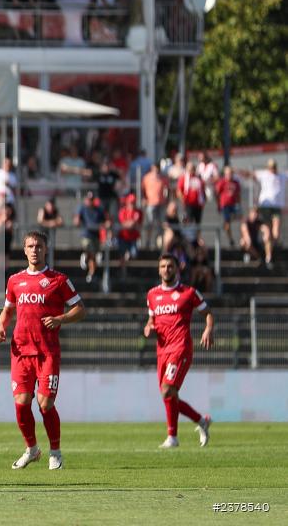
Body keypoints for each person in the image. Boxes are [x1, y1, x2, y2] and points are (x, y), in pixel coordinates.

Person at [0, 231, 86, 470]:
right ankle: (32, 449)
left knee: (45, 404)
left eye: (38, 246)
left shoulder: (58, 279)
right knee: (22, 402)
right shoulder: (15, 280)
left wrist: (61, 319)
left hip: (47, 352)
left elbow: (80, 309)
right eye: (30, 246)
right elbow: (7, 310)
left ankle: (55, 452)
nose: (34, 250)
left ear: (46, 249)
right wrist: (1, 327)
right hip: (21, 351)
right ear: (24, 250)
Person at [144, 254, 213, 448]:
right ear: (159, 270)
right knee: (168, 394)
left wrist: (208, 328)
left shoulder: (189, 293)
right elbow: (151, 319)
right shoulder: (152, 295)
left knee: (168, 390)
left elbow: (208, 312)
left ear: (177, 269)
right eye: (163, 266)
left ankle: (174, 436)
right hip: (162, 351)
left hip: (181, 348)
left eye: (170, 266)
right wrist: (149, 327)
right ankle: (197, 423)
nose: (166, 269)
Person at [250, 159, 287, 263]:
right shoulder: (264, 175)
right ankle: (268, 256)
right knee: (267, 231)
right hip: (265, 207)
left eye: (274, 167)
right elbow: (251, 174)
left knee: (275, 230)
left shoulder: (281, 176)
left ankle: (272, 249)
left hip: (276, 207)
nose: (272, 169)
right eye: (271, 167)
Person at [73, 191, 108, 283]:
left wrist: (105, 225)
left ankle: (91, 273)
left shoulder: (99, 210)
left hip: (96, 235)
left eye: (92, 199)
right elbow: (77, 219)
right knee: (89, 249)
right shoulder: (82, 208)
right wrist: (77, 221)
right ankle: (86, 257)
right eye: (89, 199)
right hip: (86, 234)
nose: (90, 201)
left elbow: (106, 221)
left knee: (94, 256)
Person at [142, 163, 169, 248]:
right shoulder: (147, 178)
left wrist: (166, 200)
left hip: (161, 203)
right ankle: (147, 242)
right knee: (150, 223)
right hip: (150, 203)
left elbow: (167, 190)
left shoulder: (163, 178)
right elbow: (142, 189)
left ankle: (159, 243)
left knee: (161, 224)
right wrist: (144, 199)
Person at [214, 166, 241, 247]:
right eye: (228, 174)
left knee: (239, 219)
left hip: (233, 205)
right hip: (225, 205)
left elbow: (238, 195)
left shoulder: (236, 183)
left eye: (231, 173)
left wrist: (239, 204)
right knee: (227, 223)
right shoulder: (222, 182)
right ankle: (231, 239)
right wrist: (218, 204)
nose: (229, 175)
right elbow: (216, 193)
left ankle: (226, 226)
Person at [117, 193, 142, 275]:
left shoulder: (138, 212)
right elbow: (122, 224)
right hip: (123, 237)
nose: (132, 204)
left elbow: (138, 224)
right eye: (131, 202)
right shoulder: (123, 211)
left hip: (133, 237)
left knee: (134, 254)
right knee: (122, 254)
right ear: (127, 202)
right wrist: (130, 223)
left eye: (134, 202)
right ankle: (123, 271)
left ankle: (126, 269)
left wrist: (130, 224)